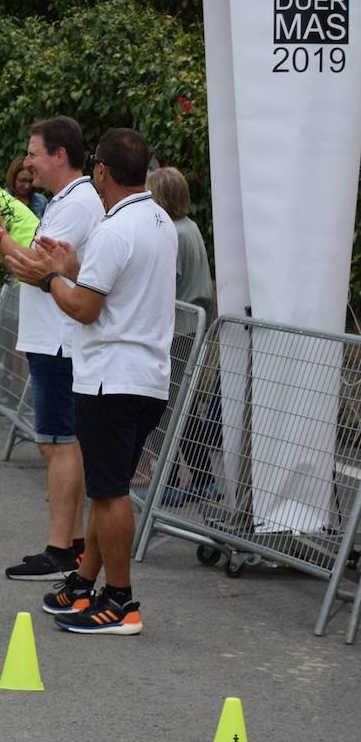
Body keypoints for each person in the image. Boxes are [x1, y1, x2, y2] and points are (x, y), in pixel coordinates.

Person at [5, 128, 175, 635]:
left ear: (101, 170)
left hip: (110, 377)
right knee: (109, 489)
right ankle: (87, 582)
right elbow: (112, 281)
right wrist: (70, 266)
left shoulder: (114, 228)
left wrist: (49, 277)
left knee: (110, 492)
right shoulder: (158, 219)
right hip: (147, 375)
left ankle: (121, 600)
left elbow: (84, 306)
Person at [0, 116, 104, 582]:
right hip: (53, 336)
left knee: (57, 444)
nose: (29, 162)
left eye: (34, 152)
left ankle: (62, 549)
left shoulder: (76, 204)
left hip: (59, 339)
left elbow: (35, 268)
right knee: (58, 444)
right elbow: (33, 264)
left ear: (60, 155)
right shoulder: (67, 202)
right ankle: (70, 543)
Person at [147, 165, 219, 505]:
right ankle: (195, 475)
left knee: (169, 405)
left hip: (178, 329)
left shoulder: (172, 233)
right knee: (180, 404)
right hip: (190, 328)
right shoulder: (189, 227)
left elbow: (166, 281)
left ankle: (185, 476)